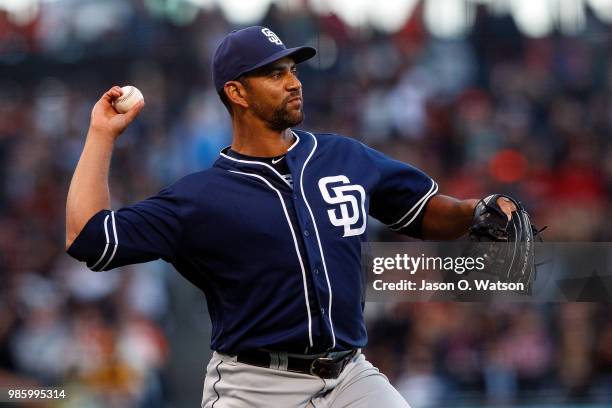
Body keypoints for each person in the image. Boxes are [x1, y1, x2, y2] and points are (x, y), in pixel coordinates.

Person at [65, 26, 516, 408]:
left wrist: (475, 212)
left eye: (293, 70)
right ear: (236, 92)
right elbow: (89, 238)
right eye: (274, 73)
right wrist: (101, 134)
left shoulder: (342, 156)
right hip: (255, 386)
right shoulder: (200, 198)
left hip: (349, 377)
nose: (293, 82)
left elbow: (423, 212)